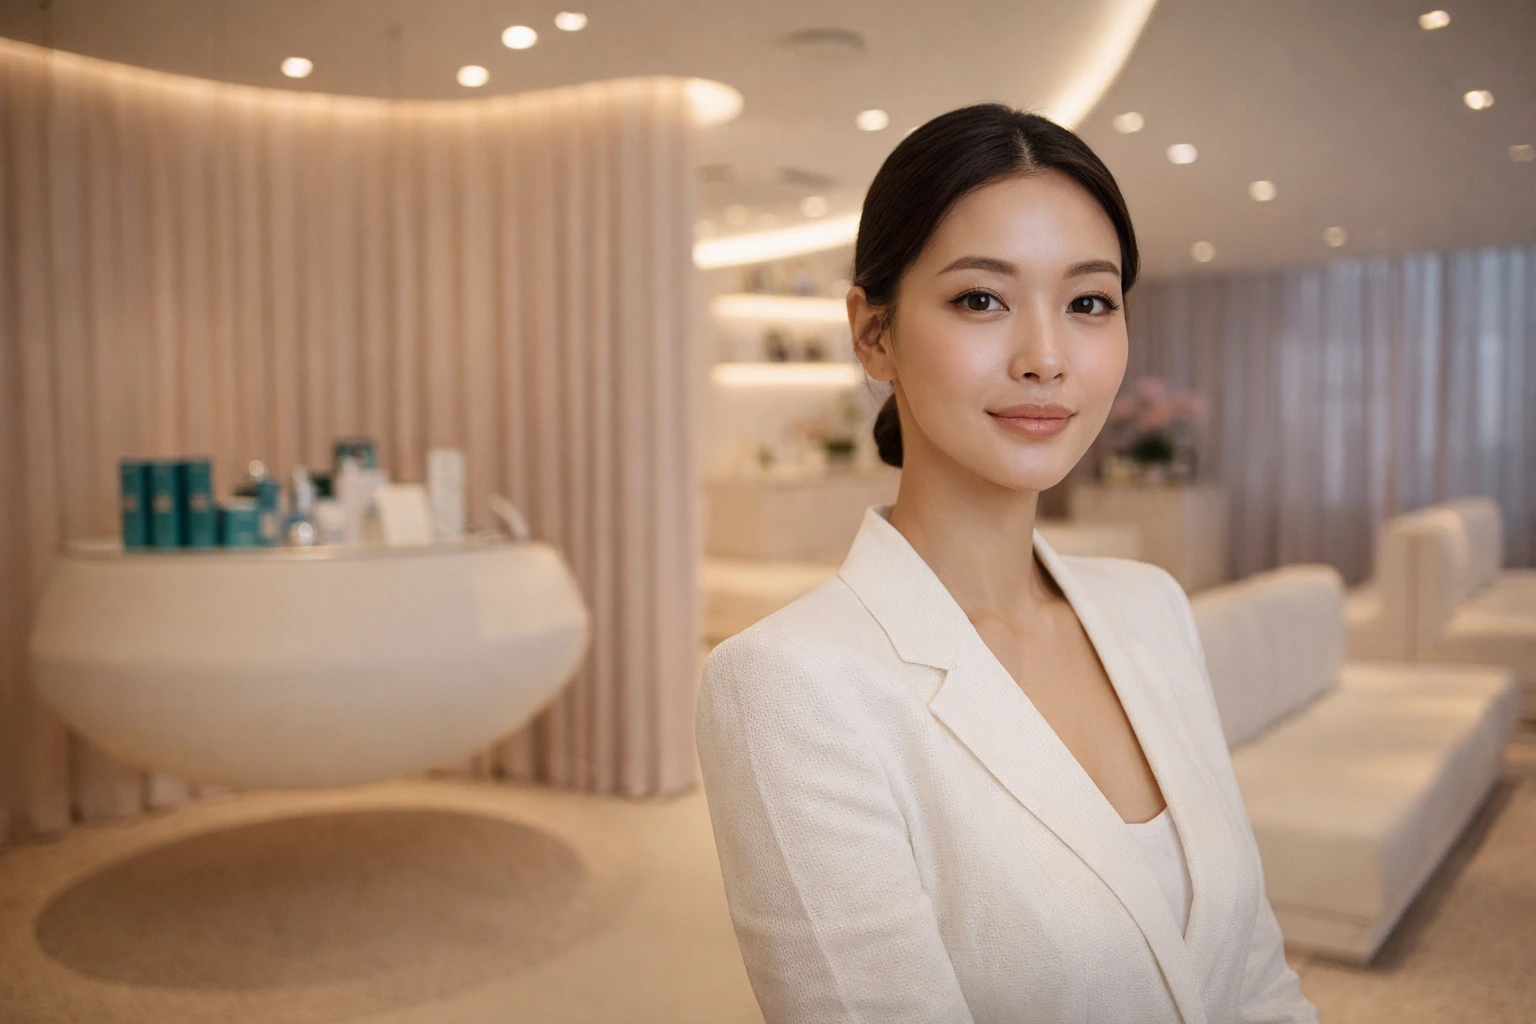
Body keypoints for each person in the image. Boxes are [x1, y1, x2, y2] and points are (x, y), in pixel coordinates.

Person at [694, 103, 1319, 1024]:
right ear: (873, 333)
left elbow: (1254, 976)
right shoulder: (788, 687)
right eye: (981, 299)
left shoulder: (1152, 608)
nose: (1046, 357)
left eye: (1089, 302)